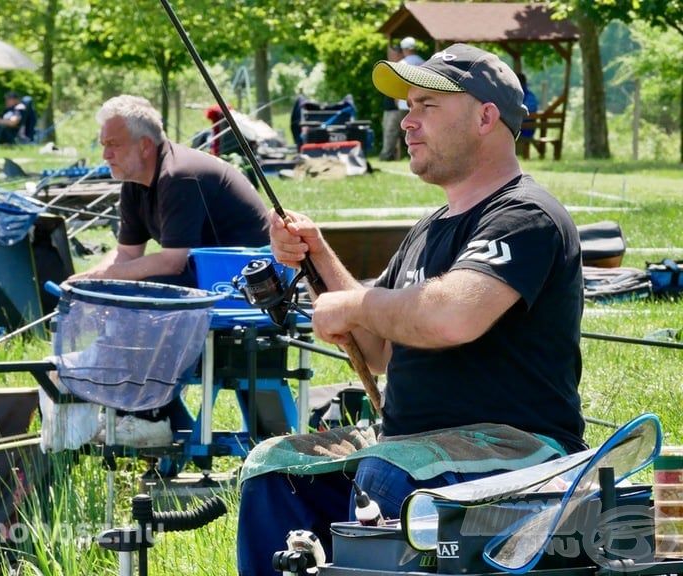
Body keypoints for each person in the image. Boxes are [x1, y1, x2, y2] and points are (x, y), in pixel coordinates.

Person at [237, 44, 586, 575]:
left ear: (485, 116)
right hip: (411, 449)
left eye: (427, 104)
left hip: (522, 452)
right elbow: (377, 351)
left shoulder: (525, 216)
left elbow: (451, 317)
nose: (408, 120)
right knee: (274, 468)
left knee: (388, 472)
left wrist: (352, 301)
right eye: (408, 105)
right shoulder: (429, 229)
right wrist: (318, 257)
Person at [70, 95, 268, 287]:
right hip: (209, 272)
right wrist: (88, 279)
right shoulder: (134, 181)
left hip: (250, 277)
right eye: (104, 145)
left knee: (139, 291)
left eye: (114, 144)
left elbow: (172, 263)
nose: (106, 155)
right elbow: (127, 253)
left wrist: (106, 276)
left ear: (145, 146)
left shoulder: (179, 175)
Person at [378, 46, 403, 161]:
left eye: (392, 54)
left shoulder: (402, 67)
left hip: (396, 109)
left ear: (399, 54)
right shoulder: (391, 68)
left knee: (390, 133)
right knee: (388, 133)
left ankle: (386, 156)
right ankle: (389, 155)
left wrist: (398, 104)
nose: (390, 57)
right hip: (389, 108)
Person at [516, 72, 540, 155]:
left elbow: (524, 113)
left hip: (524, 130)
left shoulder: (523, 96)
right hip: (526, 128)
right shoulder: (530, 96)